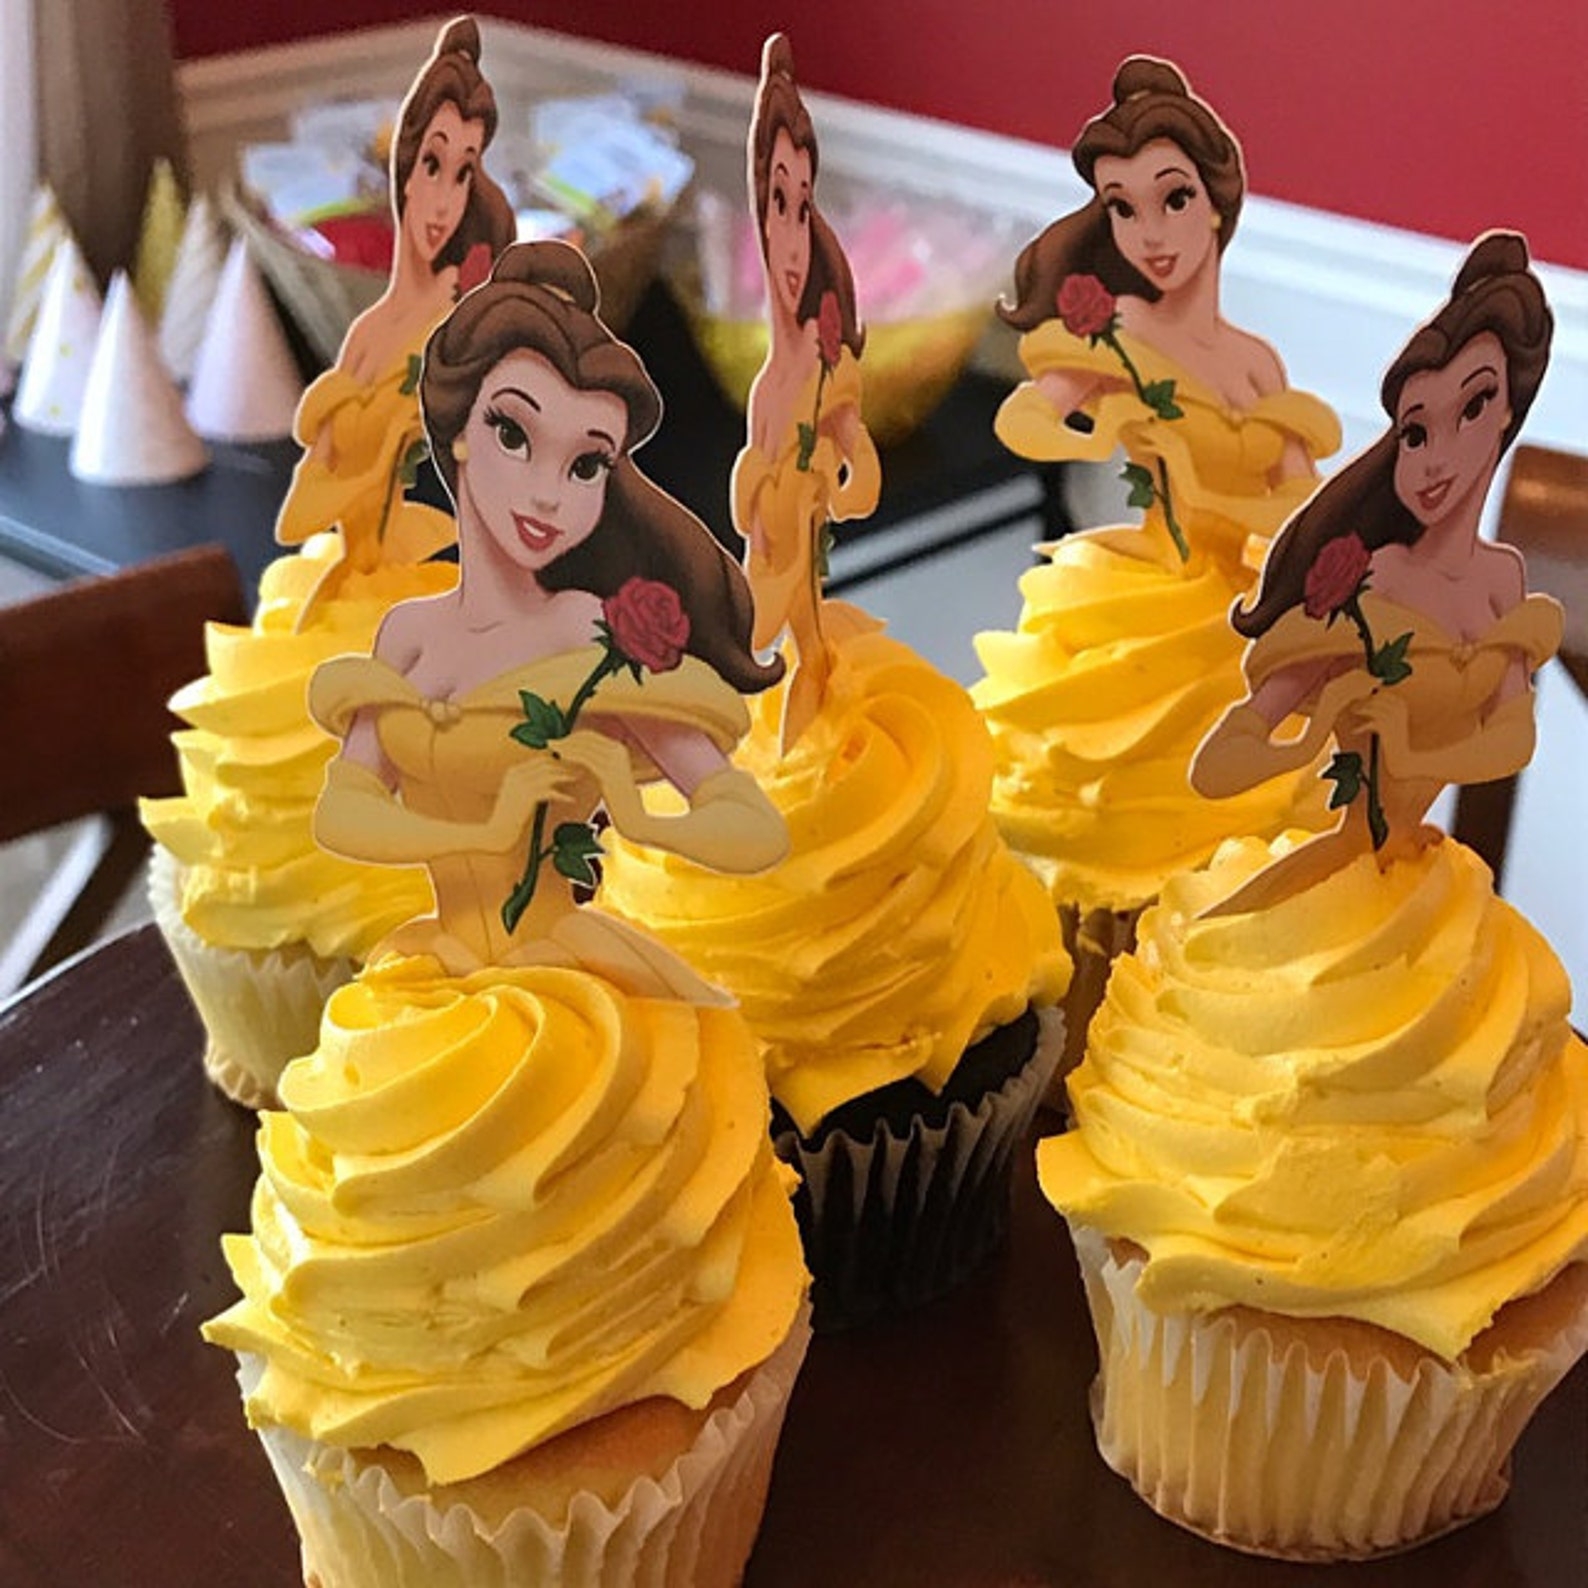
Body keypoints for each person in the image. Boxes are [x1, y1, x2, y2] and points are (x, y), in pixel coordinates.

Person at [308, 240, 789, 990]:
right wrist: (486, 830)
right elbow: (343, 811)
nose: (547, 494)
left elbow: (752, 827)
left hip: (564, 980)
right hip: (437, 975)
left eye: (585, 464)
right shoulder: (407, 636)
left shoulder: (588, 633)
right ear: (460, 430)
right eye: (514, 434)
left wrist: (640, 817)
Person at [1193, 232, 1557, 899]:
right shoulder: (1368, 581)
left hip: (1424, 883)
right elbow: (1217, 767)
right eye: (1416, 432)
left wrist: (1416, 754)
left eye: (1473, 407)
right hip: (1340, 883)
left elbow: (1511, 737)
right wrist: (1308, 739)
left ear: (1509, 408)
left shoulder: (1503, 582)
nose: (1435, 459)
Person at [994, 55, 1338, 566]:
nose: (1150, 234)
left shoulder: (1257, 363)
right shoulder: (1122, 328)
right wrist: (1100, 437)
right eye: (1124, 208)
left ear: (1216, 203)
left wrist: (1215, 505)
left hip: (1238, 591)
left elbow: (1300, 500)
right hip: (1157, 583)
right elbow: (1023, 418)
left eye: (1175, 199)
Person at [277, 15, 516, 614]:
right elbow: (319, 468)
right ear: (404, 170)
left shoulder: (464, 319)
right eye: (432, 165)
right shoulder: (371, 331)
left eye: (464, 172)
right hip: (358, 586)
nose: (444, 201)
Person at [734, 32, 880, 751]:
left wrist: (839, 483)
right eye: (775, 203)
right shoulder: (769, 387)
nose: (790, 236)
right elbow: (750, 513)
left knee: (803, 645)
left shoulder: (831, 373)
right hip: (772, 565)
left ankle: (807, 733)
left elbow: (861, 472)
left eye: (801, 204)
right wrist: (760, 496)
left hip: (801, 561)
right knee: (755, 649)